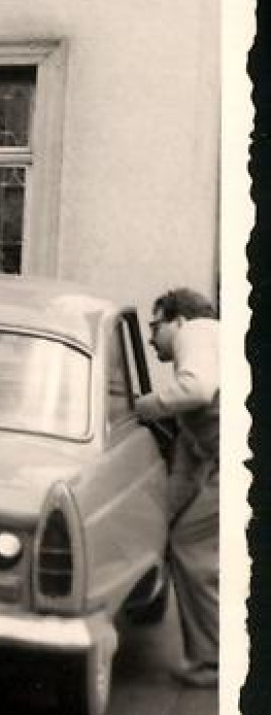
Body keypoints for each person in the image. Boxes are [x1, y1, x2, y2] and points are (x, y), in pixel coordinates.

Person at [135, 287, 220, 688]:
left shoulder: (199, 332)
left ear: (179, 320)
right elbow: (189, 465)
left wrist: (144, 406)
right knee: (190, 543)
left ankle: (214, 662)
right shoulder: (212, 349)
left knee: (193, 548)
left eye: (155, 326)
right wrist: (159, 523)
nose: (151, 339)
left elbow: (197, 389)